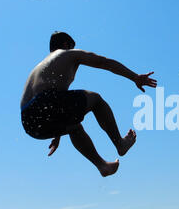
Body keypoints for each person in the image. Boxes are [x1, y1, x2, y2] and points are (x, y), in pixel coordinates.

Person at [20, 31, 157, 177]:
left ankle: (103, 166)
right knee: (96, 99)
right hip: (45, 104)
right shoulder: (67, 54)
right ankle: (120, 144)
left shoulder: (41, 67)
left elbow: (50, 102)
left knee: (74, 126)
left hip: (29, 123)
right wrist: (134, 77)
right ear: (67, 45)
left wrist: (57, 133)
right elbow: (104, 62)